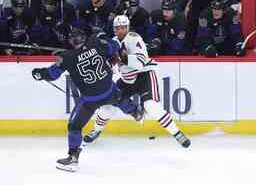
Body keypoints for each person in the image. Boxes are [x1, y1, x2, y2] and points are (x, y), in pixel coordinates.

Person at [32, 26, 143, 172]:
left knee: (74, 126)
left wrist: (39, 73)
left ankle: (73, 157)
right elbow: (114, 46)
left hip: (90, 99)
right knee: (118, 96)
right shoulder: (95, 43)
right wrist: (103, 36)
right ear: (84, 37)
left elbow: (51, 74)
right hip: (108, 90)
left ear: (71, 42)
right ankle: (135, 112)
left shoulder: (67, 57)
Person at [83, 15, 191, 149]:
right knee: (107, 106)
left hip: (144, 75)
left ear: (128, 28)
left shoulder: (134, 38)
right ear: (114, 30)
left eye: (123, 27)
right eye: (118, 28)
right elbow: (110, 66)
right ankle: (96, 130)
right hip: (126, 79)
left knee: (151, 107)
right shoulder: (113, 42)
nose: (120, 30)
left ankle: (177, 133)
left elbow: (140, 62)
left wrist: (123, 57)